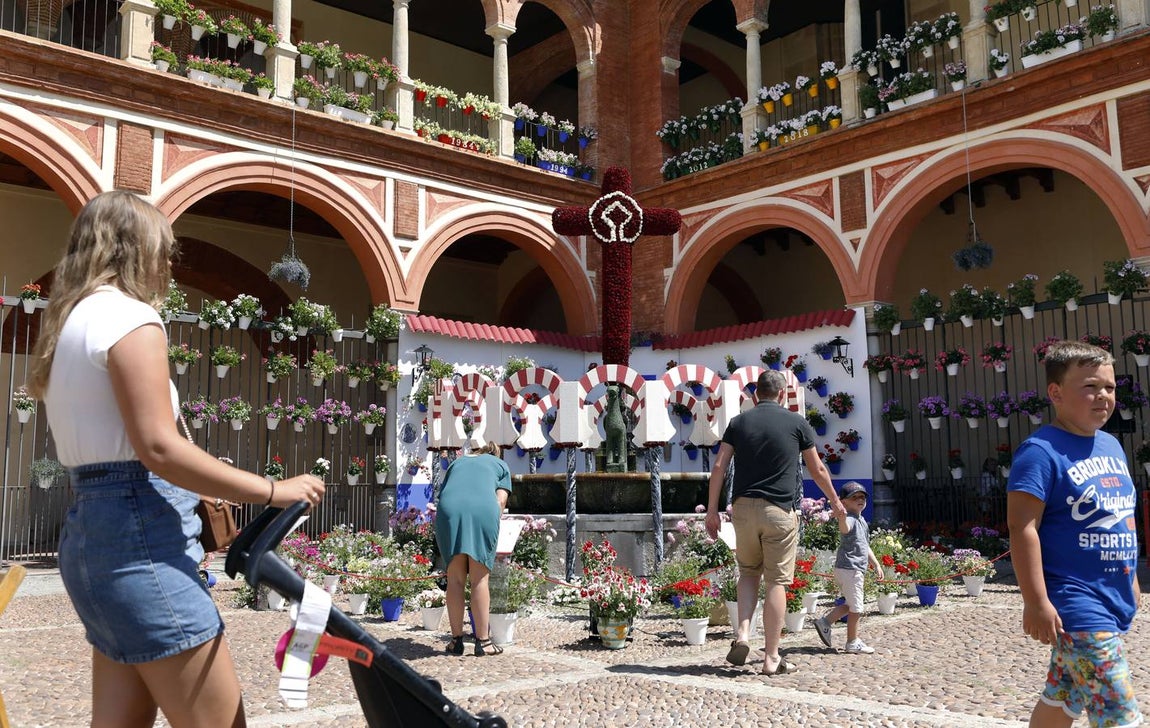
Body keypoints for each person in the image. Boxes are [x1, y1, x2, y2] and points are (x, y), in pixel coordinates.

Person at [26, 190, 325, 727]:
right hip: (141, 540)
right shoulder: (130, 318)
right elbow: (159, 448)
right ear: (135, 250)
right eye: (164, 250)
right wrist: (273, 490)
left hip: (92, 539)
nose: (168, 264)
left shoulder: (69, 324)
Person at [1007, 340, 1141, 728]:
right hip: (1077, 604)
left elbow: (1121, 513)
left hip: (1111, 595)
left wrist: (1129, 577)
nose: (1103, 396)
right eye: (1090, 386)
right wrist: (1035, 601)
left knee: (1063, 698)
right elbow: (1022, 527)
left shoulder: (1111, 446)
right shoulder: (1040, 452)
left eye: (1110, 388)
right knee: (1118, 714)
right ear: (1056, 393)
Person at [705, 369, 844, 676]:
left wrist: (712, 510)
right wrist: (835, 502)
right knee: (776, 582)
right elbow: (817, 469)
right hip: (780, 512)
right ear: (782, 395)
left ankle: (742, 633)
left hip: (742, 509)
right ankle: (771, 657)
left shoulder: (738, 423)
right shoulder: (797, 423)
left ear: (756, 396)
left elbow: (718, 466)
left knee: (748, 573)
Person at [435, 441, 512, 657]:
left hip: (449, 511)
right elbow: (500, 502)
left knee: (455, 579)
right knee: (479, 579)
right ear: (495, 452)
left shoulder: (456, 463)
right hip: (481, 511)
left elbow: (446, 493)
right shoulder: (499, 464)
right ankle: (483, 642)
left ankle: (456, 641)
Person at [813, 482, 881, 654]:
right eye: (854, 497)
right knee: (857, 608)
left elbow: (865, 545)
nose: (860, 500)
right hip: (851, 569)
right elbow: (845, 529)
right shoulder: (850, 518)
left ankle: (825, 622)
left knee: (850, 604)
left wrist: (875, 563)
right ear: (844, 503)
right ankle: (852, 642)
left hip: (848, 569)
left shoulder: (861, 520)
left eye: (862, 497)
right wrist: (842, 518)